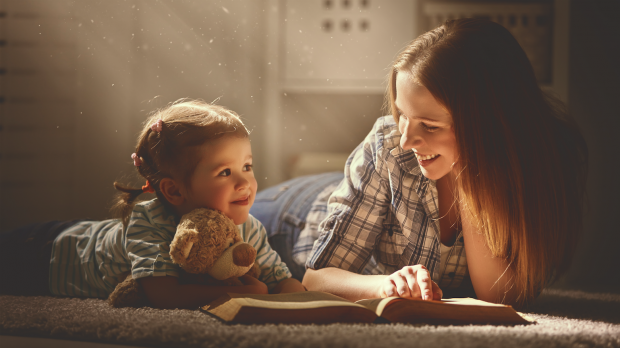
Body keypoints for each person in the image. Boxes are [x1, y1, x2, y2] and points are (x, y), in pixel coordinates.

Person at [250, 18, 588, 309]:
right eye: (403, 116)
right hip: (290, 216)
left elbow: (500, 297)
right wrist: (384, 287)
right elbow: (317, 278)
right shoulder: (389, 146)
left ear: (490, 126)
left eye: (430, 125)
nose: (408, 140)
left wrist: (470, 174)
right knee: (221, 228)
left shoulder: (538, 164)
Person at [0, 99, 305, 308]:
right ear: (174, 192)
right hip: (47, 254)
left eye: (247, 167)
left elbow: (280, 280)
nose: (245, 183)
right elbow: (162, 294)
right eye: (225, 172)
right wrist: (249, 292)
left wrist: (297, 297)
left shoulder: (248, 227)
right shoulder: (150, 218)